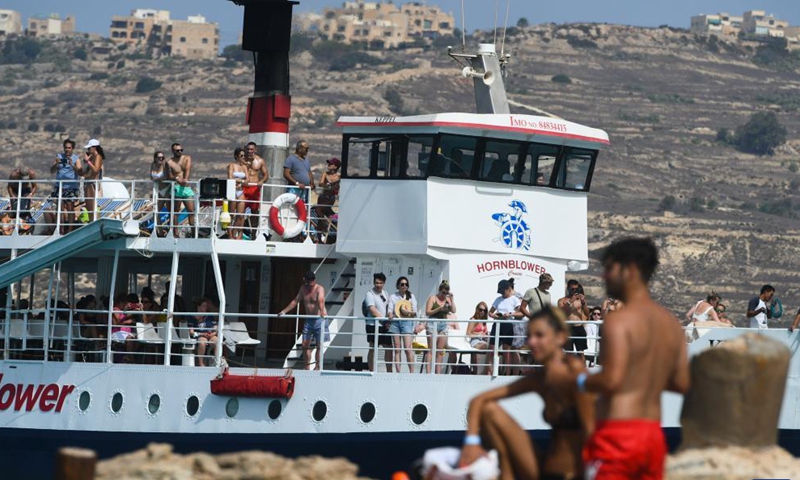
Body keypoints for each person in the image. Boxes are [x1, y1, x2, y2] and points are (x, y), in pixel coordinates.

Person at [549, 237, 690, 480]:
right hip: (653, 435)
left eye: (609, 269)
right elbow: (681, 383)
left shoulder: (618, 321)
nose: (604, 277)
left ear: (630, 270)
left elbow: (611, 380)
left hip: (617, 435)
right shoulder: (671, 324)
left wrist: (578, 381)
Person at [459, 306, 595, 480]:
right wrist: (471, 443)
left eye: (539, 335)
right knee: (489, 410)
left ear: (560, 337)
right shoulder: (540, 379)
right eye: (529, 336)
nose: (531, 342)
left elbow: (592, 433)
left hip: (572, 474)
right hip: (545, 470)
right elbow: (478, 401)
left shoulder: (574, 375)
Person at [277, 271, 328, 370]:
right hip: (309, 320)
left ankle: (317, 366)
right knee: (305, 344)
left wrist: (322, 311)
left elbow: (321, 301)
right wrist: (283, 311)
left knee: (319, 345)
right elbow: (295, 301)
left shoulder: (319, 288)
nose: (312, 282)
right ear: (305, 280)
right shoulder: (303, 288)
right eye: (310, 280)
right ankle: (307, 367)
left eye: (313, 279)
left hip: (320, 320)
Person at [485, 279, 523, 375]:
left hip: (508, 325)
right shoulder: (498, 299)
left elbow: (521, 313)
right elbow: (490, 312)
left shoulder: (514, 299)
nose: (502, 293)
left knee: (507, 352)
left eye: (503, 291)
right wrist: (494, 315)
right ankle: (490, 372)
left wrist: (510, 314)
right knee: (492, 349)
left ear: (509, 289)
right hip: (497, 324)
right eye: (500, 292)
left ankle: (507, 373)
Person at [47, 139, 82, 234]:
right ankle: (60, 229)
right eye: (66, 148)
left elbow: (80, 172)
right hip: (60, 186)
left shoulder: (76, 159)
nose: (67, 149)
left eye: (69, 148)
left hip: (71, 187)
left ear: (72, 149)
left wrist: (72, 164)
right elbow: (52, 171)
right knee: (60, 208)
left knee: (70, 207)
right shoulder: (59, 157)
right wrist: (56, 164)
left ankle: (70, 230)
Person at [425, 280, 456, 374]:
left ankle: (438, 373)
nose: (444, 295)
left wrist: (452, 299)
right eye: (443, 292)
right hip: (432, 322)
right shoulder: (432, 298)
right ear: (439, 290)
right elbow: (427, 312)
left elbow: (454, 310)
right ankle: (428, 372)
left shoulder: (447, 299)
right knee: (431, 349)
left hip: (443, 324)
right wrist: (439, 308)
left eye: (446, 293)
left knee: (440, 349)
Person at [387, 276, 418, 373]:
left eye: (406, 284)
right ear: (398, 286)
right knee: (397, 348)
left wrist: (408, 312)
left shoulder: (411, 296)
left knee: (408, 348)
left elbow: (415, 312)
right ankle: (398, 372)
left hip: (407, 322)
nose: (404, 286)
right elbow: (390, 310)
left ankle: (411, 372)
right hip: (395, 322)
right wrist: (390, 314)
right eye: (402, 284)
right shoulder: (393, 296)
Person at [363, 272, 393, 372]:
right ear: (373, 282)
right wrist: (384, 321)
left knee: (388, 347)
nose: (378, 285)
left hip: (384, 325)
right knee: (372, 347)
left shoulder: (385, 293)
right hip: (372, 325)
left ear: (384, 283)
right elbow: (372, 310)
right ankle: (371, 371)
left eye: (380, 283)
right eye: (376, 283)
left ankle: (389, 372)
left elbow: (388, 308)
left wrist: (389, 316)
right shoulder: (369, 294)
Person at [169, 143, 196, 236]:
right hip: (177, 187)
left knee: (191, 211)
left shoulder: (187, 158)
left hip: (186, 188)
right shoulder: (170, 162)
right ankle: (175, 233)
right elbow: (169, 175)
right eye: (177, 150)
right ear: (173, 151)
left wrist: (185, 179)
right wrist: (177, 178)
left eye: (181, 150)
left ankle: (194, 232)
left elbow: (187, 169)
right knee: (176, 211)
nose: (179, 152)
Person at [243, 142, 268, 237]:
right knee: (240, 210)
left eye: (251, 149)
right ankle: (239, 232)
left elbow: (266, 175)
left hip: (254, 188)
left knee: (255, 211)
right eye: (248, 149)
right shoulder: (242, 160)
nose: (249, 151)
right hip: (244, 187)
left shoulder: (260, 161)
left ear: (255, 150)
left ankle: (253, 234)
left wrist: (262, 181)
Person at [314, 157, 341, 243]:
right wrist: (328, 186)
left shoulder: (339, 176)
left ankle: (326, 225)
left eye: (331, 164)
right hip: (322, 197)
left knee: (318, 210)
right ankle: (319, 239)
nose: (328, 165)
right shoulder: (325, 174)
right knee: (320, 216)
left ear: (335, 166)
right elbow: (321, 183)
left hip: (330, 199)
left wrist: (333, 187)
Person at [189, 297, 218, 367]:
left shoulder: (209, 316)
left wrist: (213, 333)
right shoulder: (192, 317)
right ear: (199, 307)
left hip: (210, 335)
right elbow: (191, 332)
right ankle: (201, 363)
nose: (206, 307)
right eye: (204, 306)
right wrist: (202, 334)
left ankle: (217, 362)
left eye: (206, 306)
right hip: (200, 336)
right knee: (202, 342)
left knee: (218, 342)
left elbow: (215, 327)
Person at [227, 148, 248, 240]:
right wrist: (241, 181)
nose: (243, 157)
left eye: (244, 155)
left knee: (240, 215)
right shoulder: (231, 165)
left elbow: (247, 180)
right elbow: (230, 178)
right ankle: (229, 234)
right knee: (231, 214)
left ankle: (235, 233)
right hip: (232, 191)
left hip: (240, 191)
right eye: (241, 156)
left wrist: (240, 181)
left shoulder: (244, 167)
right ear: (236, 156)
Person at [83, 139, 104, 222]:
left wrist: (88, 162)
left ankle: (94, 221)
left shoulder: (98, 157)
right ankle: (91, 221)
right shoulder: (92, 157)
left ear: (94, 147)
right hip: (88, 183)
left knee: (92, 206)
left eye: (89, 148)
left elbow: (96, 170)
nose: (88, 150)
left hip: (92, 183)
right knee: (88, 207)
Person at [466, 302, 490, 373]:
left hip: (483, 341)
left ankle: (486, 370)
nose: (482, 312)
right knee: (489, 347)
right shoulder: (473, 320)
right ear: (477, 310)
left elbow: (485, 332)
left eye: (484, 310)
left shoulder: (484, 321)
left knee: (492, 347)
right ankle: (483, 371)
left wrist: (486, 335)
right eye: (480, 310)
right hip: (475, 341)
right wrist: (479, 335)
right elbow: (468, 333)